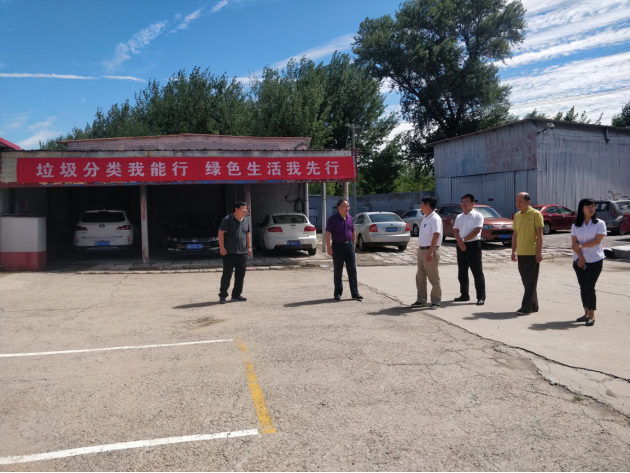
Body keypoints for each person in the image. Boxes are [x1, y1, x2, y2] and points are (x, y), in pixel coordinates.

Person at [571, 198, 606, 327]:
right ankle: (585, 313)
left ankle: (592, 315)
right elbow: (574, 244)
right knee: (582, 287)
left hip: (595, 259)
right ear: (582, 209)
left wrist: (580, 245)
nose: (591, 209)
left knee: (589, 286)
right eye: (588, 206)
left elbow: (596, 241)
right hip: (579, 260)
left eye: (593, 206)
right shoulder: (576, 225)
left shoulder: (600, 224)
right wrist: (580, 257)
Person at [511, 192, 544, 315]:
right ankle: (534, 305)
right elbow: (515, 235)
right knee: (527, 281)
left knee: (530, 281)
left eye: (520, 201)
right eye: (516, 201)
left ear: (528, 202)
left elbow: (540, 235)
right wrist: (513, 251)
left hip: (532, 253)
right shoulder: (517, 216)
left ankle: (526, 308)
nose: (518, 204)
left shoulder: (536, 214)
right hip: (521, 252)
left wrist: (539, 252)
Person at [325, 198, 362, 301]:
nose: (347, 208)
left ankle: (355, 293)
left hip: (349, 246)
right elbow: (327, 233)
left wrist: (354, 243)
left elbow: (353, 231)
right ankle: (337, 293)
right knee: (338, 271)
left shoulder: (350, 218)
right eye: (345, 206)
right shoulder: (332, 219)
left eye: (348, 206)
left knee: (352, 270)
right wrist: (328, 247)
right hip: (338, 247)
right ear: (339, 207)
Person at [453, 194, 486, 305]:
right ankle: (464, 294)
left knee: (477, 272)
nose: (464, 204)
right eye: (463, 202)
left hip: (473, 245)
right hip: (461, 245)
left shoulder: (478, 216)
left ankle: (481, 297)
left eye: (467, 202)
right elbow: (455, 230)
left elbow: (477, 230)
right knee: (462, 272)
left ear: (472, 203)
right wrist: (459, 241)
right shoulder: (459, 217)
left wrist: (463, 240)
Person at [412, 196, 443, 310]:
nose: (420, 206)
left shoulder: (435, 219)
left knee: (433, 277)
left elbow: (436, 235)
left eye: (421, 204)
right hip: (421, 250)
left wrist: (431, 252)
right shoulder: (425, 218)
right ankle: (421, 300)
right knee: (420, 277)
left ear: (427, 206)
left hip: (430, 250)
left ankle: (435, 301)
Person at [218, 201, 252, 304]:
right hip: (229, 253)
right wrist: (222, 248)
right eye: (243, 208)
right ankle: (223, 295)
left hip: (242, 253)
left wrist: (249, 247)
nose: (245, 210)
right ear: (236, 209)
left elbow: (248, 234)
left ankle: (236, 295)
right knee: (227, 275)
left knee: (240, 276)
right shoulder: (227, 219)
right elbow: (220, 233)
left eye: (246, 208)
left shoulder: (246, 220)